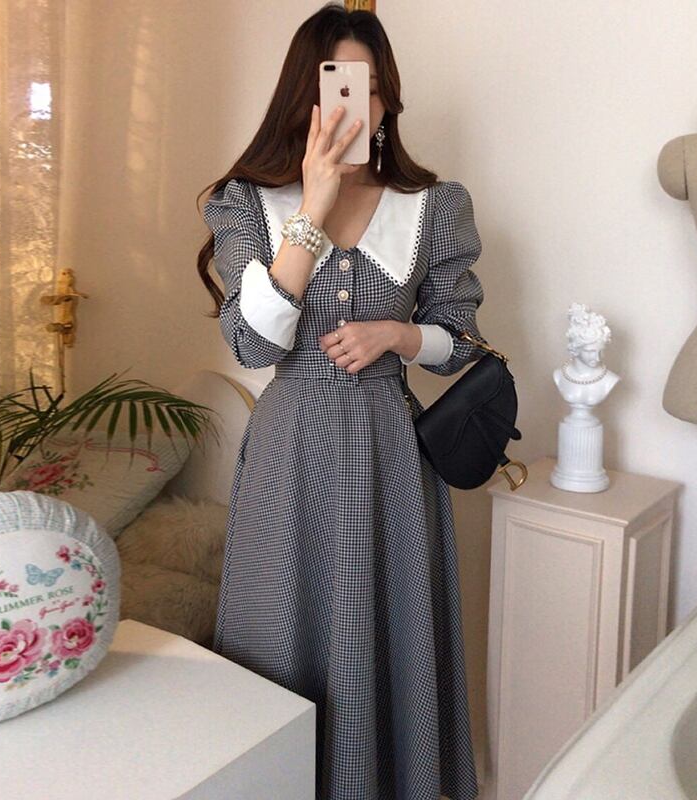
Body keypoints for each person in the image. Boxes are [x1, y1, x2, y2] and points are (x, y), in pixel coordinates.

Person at [196, 5, 486, 799]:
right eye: (338, 87)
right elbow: (252, 346)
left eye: (372, 87)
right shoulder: (247, 201)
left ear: (389, 99)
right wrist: (312, 209)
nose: (358, 107)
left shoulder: (435, 205)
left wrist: (399, 335)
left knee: (384, 638)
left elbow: (462, 342)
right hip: (289, 451)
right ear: (305, 94)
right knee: (281, 632)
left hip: (393, 454)